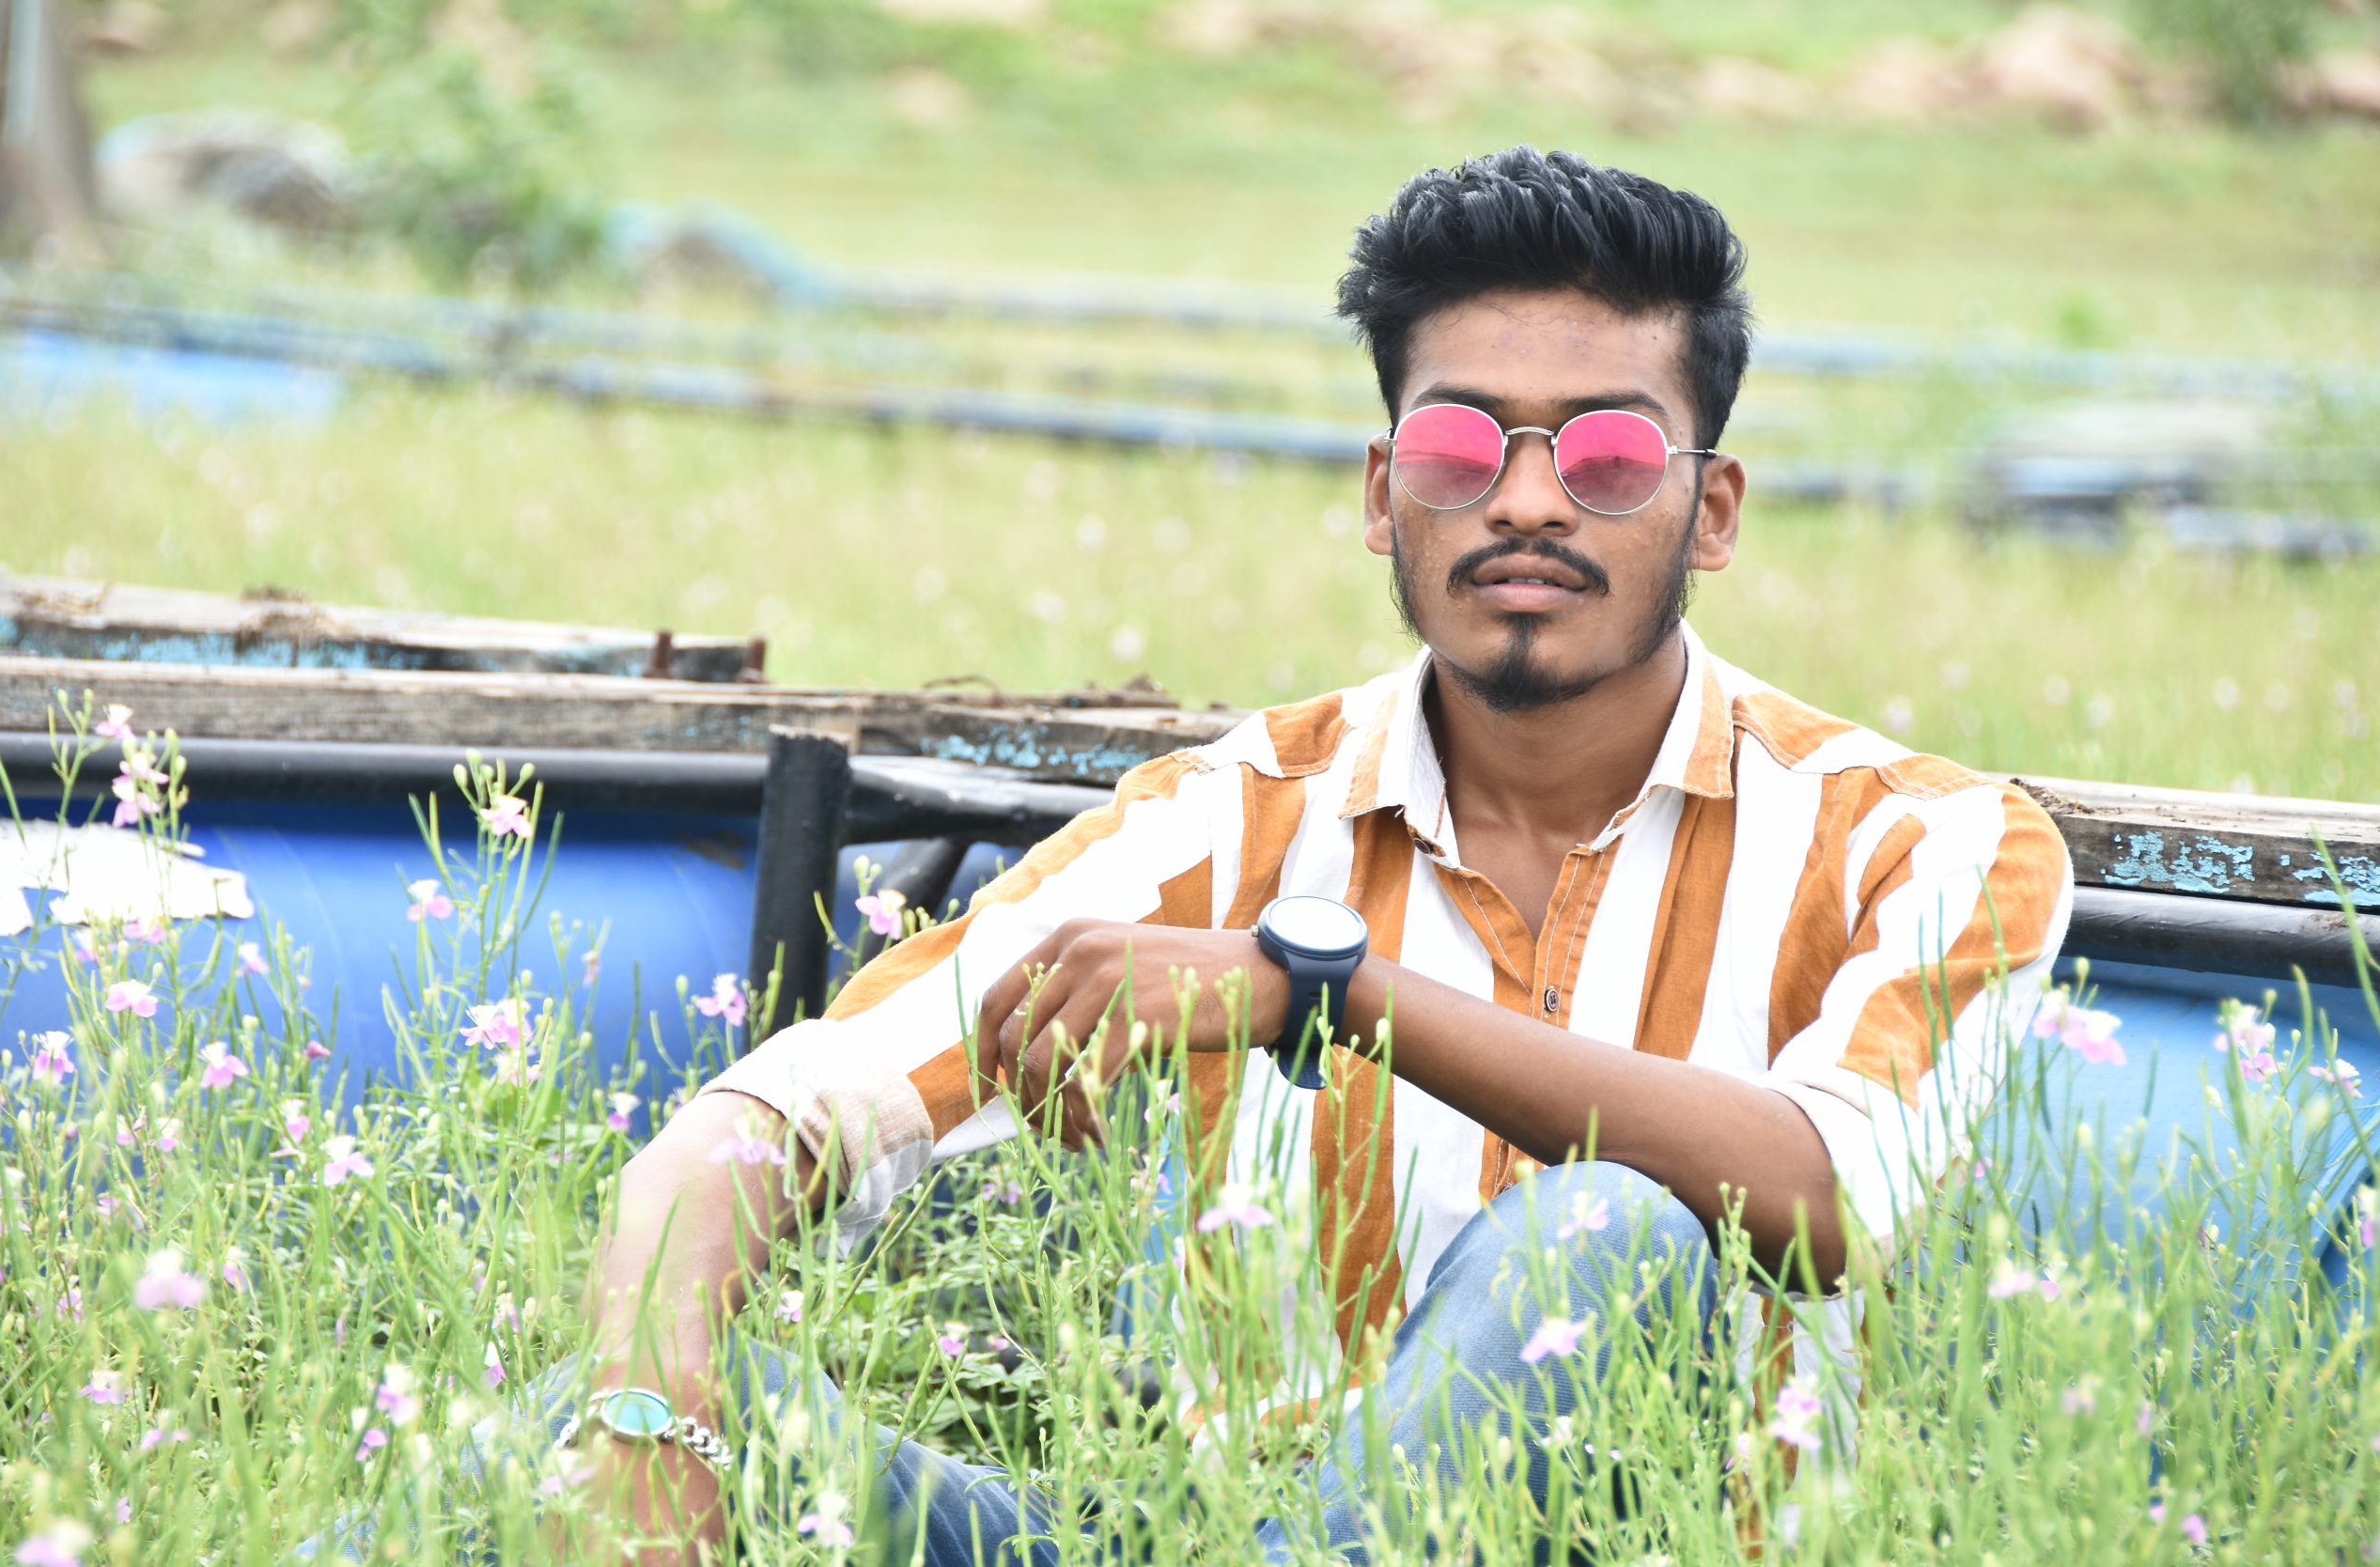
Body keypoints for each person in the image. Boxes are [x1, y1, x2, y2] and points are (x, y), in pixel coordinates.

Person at [565, 145, 2073, 1563]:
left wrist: (1328, 994)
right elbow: (779, 1113)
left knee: (1601, 1226)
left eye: (1609, 455)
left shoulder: (1925, 840)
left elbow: (1829, 1202)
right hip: (1213, 1535)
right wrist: (651, 1398)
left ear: (1713, 509)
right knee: (577, 1424)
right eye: (1458, 445)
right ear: (1381, 494)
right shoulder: (1238, 815)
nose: (1530, 499)